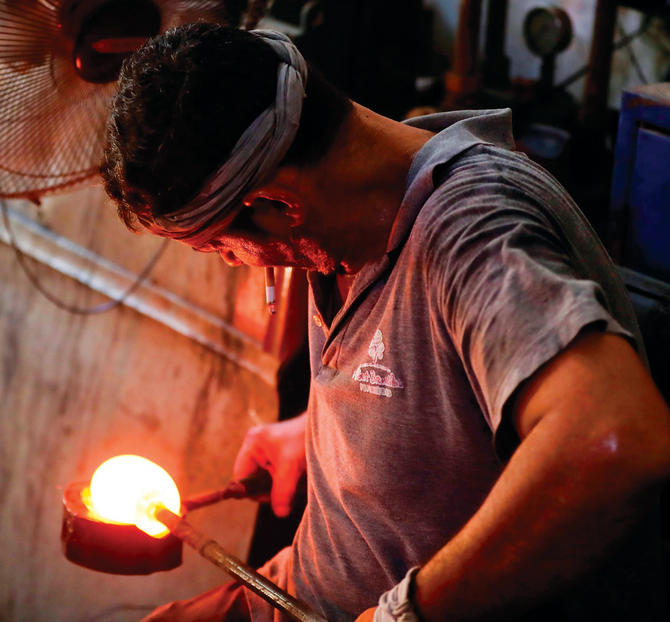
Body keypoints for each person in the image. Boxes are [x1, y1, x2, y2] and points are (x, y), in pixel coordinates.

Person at [100, 22, 670, 622]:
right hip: (298, 586)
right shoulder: (349, 216)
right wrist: (333, 429)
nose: (239, 265)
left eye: (221, 247)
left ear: (276, 205)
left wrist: (406, 613)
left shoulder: (470, 232)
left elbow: (615, 441)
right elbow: (423, 374)